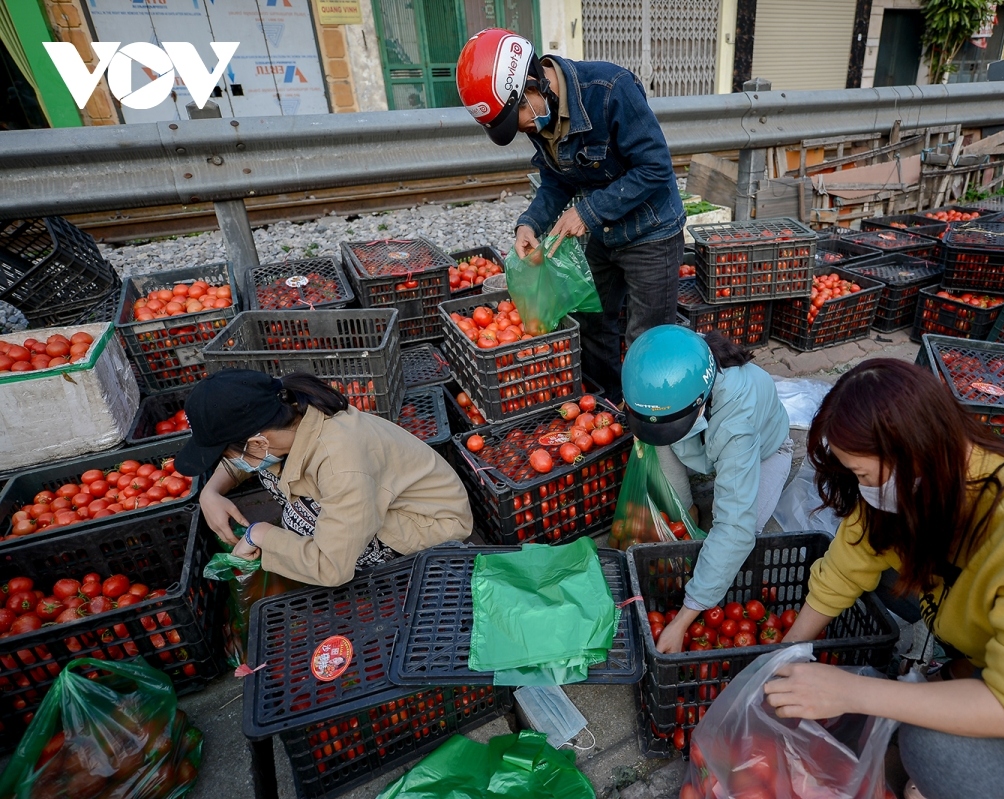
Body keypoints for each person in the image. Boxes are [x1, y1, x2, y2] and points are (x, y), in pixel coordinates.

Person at [762, 360, 1004, 799]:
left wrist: (853, 692)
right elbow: (844, 567)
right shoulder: (923, 482)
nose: (862, 488)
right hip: (987, 656)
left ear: (913, 453)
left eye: (863, 476)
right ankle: (952, 675)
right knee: (877, 582)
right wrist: (788, 653)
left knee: (930, 748)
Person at [456, 28, 685, 401]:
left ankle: (653, 420)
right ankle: (609, 407)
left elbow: (656, 168)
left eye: (521, 121)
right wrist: (530, 222)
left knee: (647, 339)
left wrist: (588, 212)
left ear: (534, 85)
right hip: (605, 232)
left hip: (652, 230)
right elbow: (555, 181)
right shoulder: (536, 113)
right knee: (593, 322)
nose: (526, 130)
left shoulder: (610, 90)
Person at [177, 369, 473, 587]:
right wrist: (211, 492)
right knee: (295, 509)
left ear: (257, 443)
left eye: (227, 454)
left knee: (302, 521)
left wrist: (262, 535)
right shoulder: (290, 413)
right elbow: (241, 459)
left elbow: (331, 568)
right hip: (380, 498)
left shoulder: (340, 464)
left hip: (431, 527)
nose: (232, 461)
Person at [621, 326, 791, 654]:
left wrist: (684, 618)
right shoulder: (674, 357)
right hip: (702, 438)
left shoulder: (736, 423)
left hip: (767, 452)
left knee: (745, 529)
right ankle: (690, 512)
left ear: (700, 402)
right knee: (658, 438)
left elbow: (734, 529)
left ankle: (701, 537)